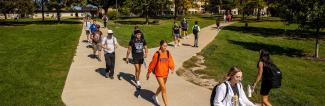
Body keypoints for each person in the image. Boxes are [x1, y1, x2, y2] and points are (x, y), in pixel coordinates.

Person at [147, 40, 175, 106]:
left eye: (166, 46)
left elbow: (170, 61)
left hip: (165, 73)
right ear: (160, 46)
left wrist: (172, 68)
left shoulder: (167, 53)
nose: (165, 47)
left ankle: (155, 96)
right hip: (158, 74)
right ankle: (166, 105)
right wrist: (148, 72)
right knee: (164, 89)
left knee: (161, 87)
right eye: (164, 46)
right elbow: (152, 64)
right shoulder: (157, 54)